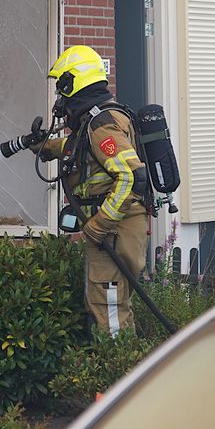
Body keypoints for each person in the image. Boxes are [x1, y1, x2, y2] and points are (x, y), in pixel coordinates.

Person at [33, 46, 150, 335]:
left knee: (108, 305)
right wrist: (45, 146)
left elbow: (132, 176)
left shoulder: (101, 124)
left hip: (114, 230)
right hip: (117, 229)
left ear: (74, 83)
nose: (60, 98)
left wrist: (100, 224)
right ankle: (123, 365)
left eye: (62, 88)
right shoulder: (96, 121)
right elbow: (83, 151)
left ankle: (116, 372)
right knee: (113, 304)